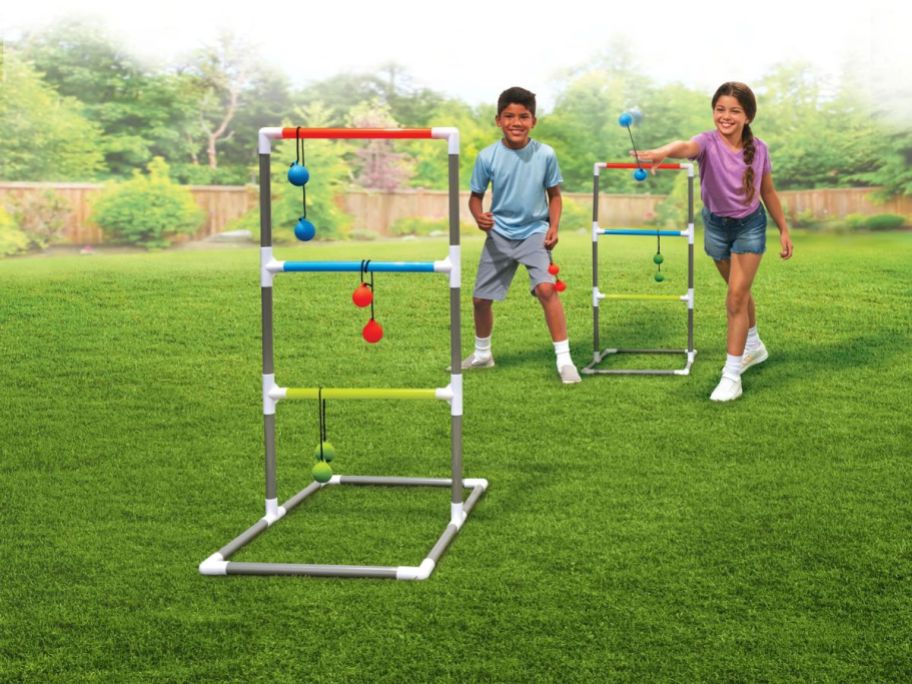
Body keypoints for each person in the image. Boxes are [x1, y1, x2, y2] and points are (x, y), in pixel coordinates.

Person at [635, 81, 793, 401]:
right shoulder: (706, 142)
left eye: (734, 110)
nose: (726, 116)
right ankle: (754, 345)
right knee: (739, 292)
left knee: (735, 297)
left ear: (747, 116)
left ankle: (731, 376)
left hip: (750, 225)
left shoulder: (758, 148)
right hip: (717, 227)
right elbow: (685, 147)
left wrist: (784, 229)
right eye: (720, 109)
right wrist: (664, 152)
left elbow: (768, 191)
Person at [463, 86, 581, 384]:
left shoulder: (545, 154)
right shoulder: (487, 156)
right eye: (509, 116)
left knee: (546, 289)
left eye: (523, 117)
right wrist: (479, 216)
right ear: (498, 120)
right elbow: (475, 197)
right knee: (480, 300)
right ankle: (482, 354)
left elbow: (554, 196)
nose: (516, 122)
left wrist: (553, 226)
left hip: (534, 233)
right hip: (499, 234)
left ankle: (564, 360)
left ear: (533, 121)